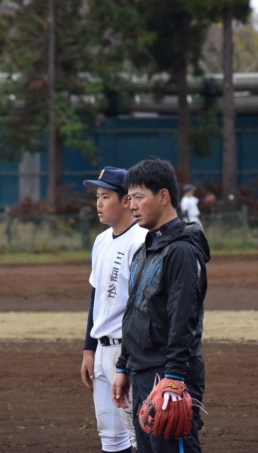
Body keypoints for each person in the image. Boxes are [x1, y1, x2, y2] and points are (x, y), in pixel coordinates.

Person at [111, 157, 210, 453]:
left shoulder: (181, 251)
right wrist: (124, 366)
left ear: (163, 196)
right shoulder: (145, 250)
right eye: (129, 198)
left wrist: (175, 378)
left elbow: (183, 318)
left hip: (169, 374)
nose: (131, 205)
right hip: (142, 371)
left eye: (138, 197)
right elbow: (134, 313)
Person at [81, 166, 147, 453]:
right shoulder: (101, 241)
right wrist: (88, 349)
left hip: (127, 350)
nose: (99, 203)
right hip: (101, 350)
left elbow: (142, 306)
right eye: (97, 196)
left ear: (126, 200)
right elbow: (96, 298)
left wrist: (130, 359)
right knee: (110, 438)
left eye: (106, 196)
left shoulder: (141, 240)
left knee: (139, 435)